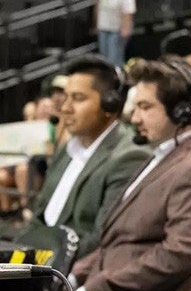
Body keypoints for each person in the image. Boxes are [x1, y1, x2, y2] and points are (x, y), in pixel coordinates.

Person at [71, 59, 191, 291]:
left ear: (181, 112)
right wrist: (75, 276)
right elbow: (119, 240)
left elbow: (176, 256)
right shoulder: (168, 153)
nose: (134, 118)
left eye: (145, 107)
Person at [19, 56, 150, 258]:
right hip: (40, 259)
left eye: (78, 98)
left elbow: (100, 240)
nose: (65, 108)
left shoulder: (130, 156)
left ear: (110, 106)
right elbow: (40, 217)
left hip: (70, 272)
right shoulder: (67, 149)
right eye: (65, 98)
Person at [95, 0, 136, 67]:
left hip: (116, 30)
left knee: (114, 59)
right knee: (104, 58)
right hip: (104, 28)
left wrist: (125, 30)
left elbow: (128, 13)